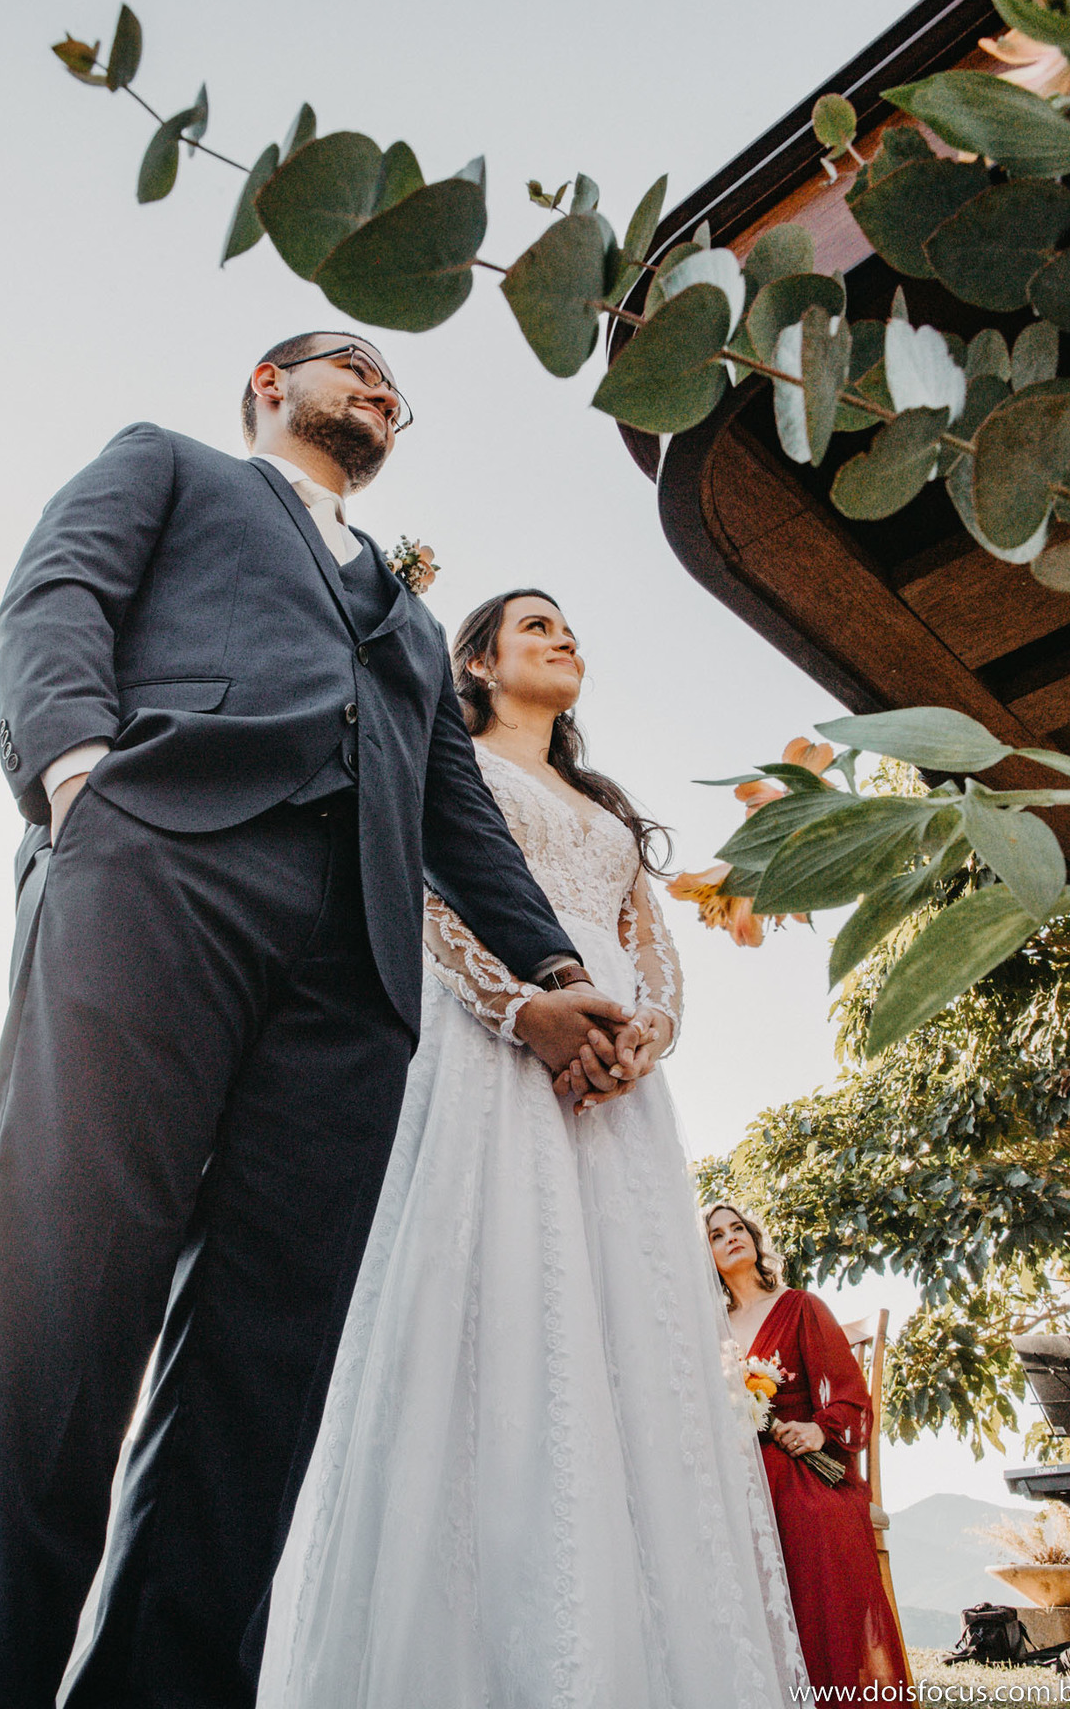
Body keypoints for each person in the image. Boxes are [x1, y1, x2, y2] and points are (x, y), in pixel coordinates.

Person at [0, 339, 642, 1709]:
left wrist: (544, 962)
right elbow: (54, 595)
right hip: (156, 875)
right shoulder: (164, 469)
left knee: (260, 1379)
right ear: (264, 381)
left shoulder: (415, 630)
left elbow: (452, 819)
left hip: (349, 980)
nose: (378, 389)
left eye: (394, 386)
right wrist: (77, 782)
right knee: (58, 1315)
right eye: (348, 365)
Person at [255, 590, 808, 1709]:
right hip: (487, 1055)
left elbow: (650, 945)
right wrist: (525, 1013)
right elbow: (422, 894)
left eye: (570, 628)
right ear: (480, 661)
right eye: (535, 626)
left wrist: (644, 1032)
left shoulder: (601, 803)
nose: (563, 639)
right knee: (498, 1301)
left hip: (620, 1090)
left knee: (635, 1334)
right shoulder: (446, 764)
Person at [706, 1203, 911, 1703]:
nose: (731, 1237)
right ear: (705, 1258)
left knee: (808, 1514)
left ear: (754, 1239)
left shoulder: (801, 1305)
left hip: (801, 1463)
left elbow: (849, 1397)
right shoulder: (707, 1330)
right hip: (735, 1464)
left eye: (738, 1228)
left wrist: (819, 1431)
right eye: (716, 1235)